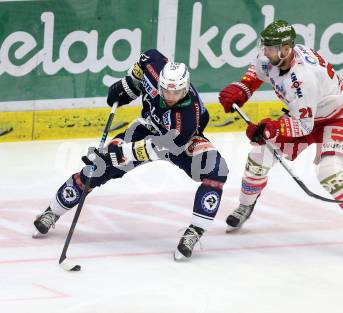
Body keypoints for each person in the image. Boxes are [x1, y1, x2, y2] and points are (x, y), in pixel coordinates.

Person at [33, 49, 229, 261]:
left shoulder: (188, 117)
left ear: (186, 88)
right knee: (97, 168)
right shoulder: (153, 64)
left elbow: (155, 149)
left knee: (216, 169)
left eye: (177, 92)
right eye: (166, 91)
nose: (171, 97)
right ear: (160, 82)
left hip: (181, 142)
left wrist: (118, 153)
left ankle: (195, 231)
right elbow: (144, 63)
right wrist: (126, 86)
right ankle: (52, 211)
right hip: (146, 128)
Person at [218, 20, 343, 259]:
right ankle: (246, 205)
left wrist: (271, 129)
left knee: (330, 173)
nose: (264, 52)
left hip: (335, 118)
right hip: (305, 113)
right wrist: (242, 89)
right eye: (264, 46)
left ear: (286, 49)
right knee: (259, 155)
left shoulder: (303, 79)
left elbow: (303, 126)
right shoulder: (271, 56)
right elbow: (256, 73)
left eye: (270, 48)